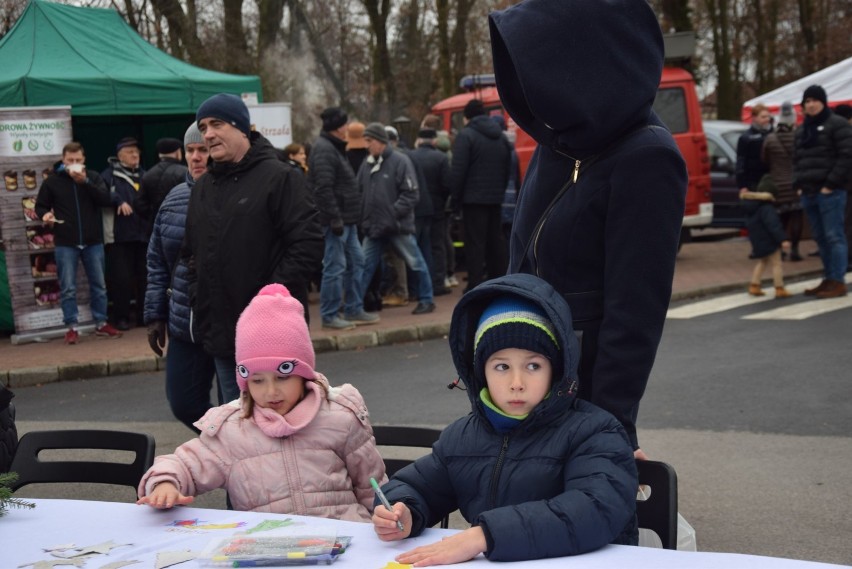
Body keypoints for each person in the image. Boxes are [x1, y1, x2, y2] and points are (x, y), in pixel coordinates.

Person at [489, 0, 688, 457]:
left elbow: (635, 310)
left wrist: (611, 425)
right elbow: (524, 253)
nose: (531, 88)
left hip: (581, 386)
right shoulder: (559, 139)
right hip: (524, 367)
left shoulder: (647, 157)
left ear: (579, 64)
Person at [372, 273, 637, 564]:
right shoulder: (462, 437)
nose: (516, 382)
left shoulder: (594, 431)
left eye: (533, 365)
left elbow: (594, 508)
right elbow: (418, 485)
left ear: (557, 370)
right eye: (501, 366)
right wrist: (403, 511)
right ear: (479, 372)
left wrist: (485, 535)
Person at [137, 284, 386, 520]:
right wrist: (165, 483)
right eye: (257, 381)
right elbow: (185, 464)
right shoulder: (232, 430)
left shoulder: (340, 415)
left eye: (282, 377)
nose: (271, 391)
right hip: (267, 549)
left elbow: (372, 487)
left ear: (303, 373)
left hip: (344, 542)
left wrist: (386, 520)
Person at [182, 93, 323, 403]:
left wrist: (270, 301)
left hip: (274, 334)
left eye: (217, 124)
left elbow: (307, 244)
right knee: (238, 426)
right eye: (203, 127)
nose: (208, 134)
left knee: (280, 425)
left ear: (242, 128)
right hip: (222, 333)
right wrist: (198, 295)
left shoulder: (281, 177)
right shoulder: (203, 187)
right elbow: (191, 254)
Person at [143, 123, 217, 433]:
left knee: (235, 405)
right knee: (183, 402)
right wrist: (155, 314)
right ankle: (227, 447)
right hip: (182, 323)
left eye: (203, 150)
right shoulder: (173, 199)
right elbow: (157, 261)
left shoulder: (234, 193)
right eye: (191, 151)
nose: (197, 157)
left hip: (224, 323)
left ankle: (239, 471)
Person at [34, 142, 123, 344]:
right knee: (68, 287)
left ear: (84, 160)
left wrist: (85, 182)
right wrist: (45, 214)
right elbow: (40, 205)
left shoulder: (92, 176)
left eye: (77, 160)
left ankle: (101, 323)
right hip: (65, 241)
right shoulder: (52, 181)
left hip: (93, 240)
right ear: (63, 160)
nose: (73, 163)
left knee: (99, 285)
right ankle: (71, 327)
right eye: (69, 160)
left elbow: (106, 199)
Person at [308, 107, 378, 330]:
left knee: (357, 261)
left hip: (345, 219)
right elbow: (323, 188)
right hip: (336, 221)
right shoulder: (325, 150)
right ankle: (330, 314)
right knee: (335, 266)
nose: (347, 128)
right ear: (338, 128)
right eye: (344, 125)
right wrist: (334, 218)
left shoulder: (332, 148)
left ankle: (353, 308)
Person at [357, 123, 435, 315]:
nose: (366, 145)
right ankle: (354, 305)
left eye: (369, 141)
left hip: (397, 226)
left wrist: (391, 214)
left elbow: (411, 194)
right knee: (364, 266)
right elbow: (359, 192)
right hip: (375, 227)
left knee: (415, 262)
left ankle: (427, 299)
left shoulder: (401, 161)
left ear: (380, 141)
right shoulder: (366, 164)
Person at [793, 85, 852, 299]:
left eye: (814, 100)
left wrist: (831, 184)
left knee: (834, 236)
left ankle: (838, 280)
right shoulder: (802, 130)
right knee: (820, 238)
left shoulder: (837, 125)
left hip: (830, 191)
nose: (810, 105)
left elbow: (847, 156)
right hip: (809, 191)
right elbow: (797, 159)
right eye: (806, 101)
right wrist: (797, 185)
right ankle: (828, 278)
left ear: (823, 102)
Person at [450, 98, 512, 292]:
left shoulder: (466, 136)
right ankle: (500, 280)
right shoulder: (501, 137)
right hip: (495, 197)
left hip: (473, 199)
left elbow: (458, 170)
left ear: (467, 117)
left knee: (475, 243)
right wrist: (499, 191)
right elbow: (507, 167)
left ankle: (475, 283)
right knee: (496, 240)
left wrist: (455, 198)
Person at [101, 136, 148, 331]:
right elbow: (98, 193)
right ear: (120, 156)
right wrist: (117, 200)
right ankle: (121, 317)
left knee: (145, 278)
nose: (135, 155)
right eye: (130, 152)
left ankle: (144, 317)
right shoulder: (108, 176)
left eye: (136, 152)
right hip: (119, 237)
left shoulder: (145, 175)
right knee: (121, 279)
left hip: (143, 235)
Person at [409, 127, 452, 296]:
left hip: (417, 209)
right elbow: (448, 184)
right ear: (434, 141)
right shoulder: (440, 158)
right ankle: (437, 282)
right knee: (437, 246)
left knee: (417, 246)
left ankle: (417, 286)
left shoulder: (411, 156)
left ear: (419, 140)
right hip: (437, 208)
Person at [761, 101, 803, 261]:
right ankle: (795, 249)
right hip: (795, 183)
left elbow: (764, 159)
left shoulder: (770, 138)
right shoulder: (799, 136)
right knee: (796, 216)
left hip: (777, 184)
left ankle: (780, 249)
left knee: (781, 218)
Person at [740, 185, 792, 298]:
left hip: (758, 240)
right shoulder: (767, 208)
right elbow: (774, 225)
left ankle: (754, 285)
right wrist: (783, 239)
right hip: (770, 240)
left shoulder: (751, 207)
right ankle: (779, 287)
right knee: (777, 264)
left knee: (762, 261)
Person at [135, 137, 187, 224]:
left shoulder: (147, 175)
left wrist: (154, 217)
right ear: (178, 152)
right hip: (180, 225)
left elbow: (139, 205)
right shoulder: (185, 172)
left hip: (155, 226)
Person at [737, 104, 773, 196]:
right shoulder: (746, 138)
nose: (767, 119)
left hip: (771, 179)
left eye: (768, 116)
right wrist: (742, 185)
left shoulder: (773, 134)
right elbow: (741, 162)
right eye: (763, 117)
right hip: (753, 182)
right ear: (754, 118)